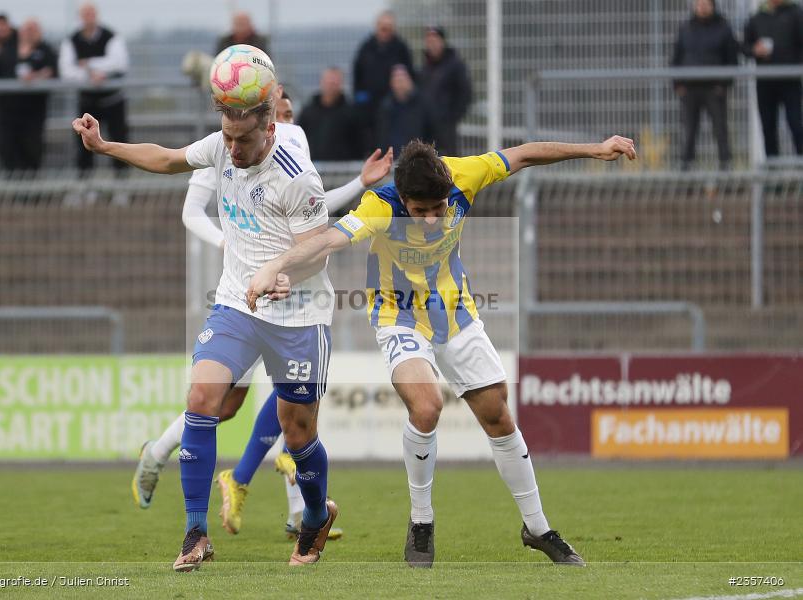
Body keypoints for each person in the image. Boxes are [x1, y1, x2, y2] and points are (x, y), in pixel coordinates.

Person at [247, 135, 638, 568]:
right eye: (420, 212)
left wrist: (596, 150)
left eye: (438, 210)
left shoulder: (462, 174)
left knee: (498, 416)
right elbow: (328, 240)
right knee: (427, 406)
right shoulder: (381, 205)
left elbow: (525, 154)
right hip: (398, 318)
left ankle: (538, 528)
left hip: (457, 315)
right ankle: (421, 523)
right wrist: (274, 266)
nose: (432, 220)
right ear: (404, 200)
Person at [74, 67, 387, 567]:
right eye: (227, 136)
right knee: (203, 396)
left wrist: (284, 271)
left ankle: (313, 516)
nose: (233, 149)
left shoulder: (296, 174)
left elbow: (318, 251)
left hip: (299, 312)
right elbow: (170, 159)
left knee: (298, 428)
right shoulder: (221, 146)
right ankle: (195, 533)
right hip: (237, 303)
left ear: (270, 128)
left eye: (243, 140)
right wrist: (106, 146)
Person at [60, 2, 130, 173]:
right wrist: (90, 75)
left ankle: (122, 187)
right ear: (80, 16)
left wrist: (89, 64)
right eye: (85, 13)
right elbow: (66, 70)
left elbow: (120, 63)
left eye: (91, 13)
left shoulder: (111, 36)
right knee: (84, 146)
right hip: (87, 104)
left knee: (119, 143)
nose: (89, 17)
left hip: (113, 101)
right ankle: (86, 188)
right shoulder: (71, 40)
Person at [0, 19, 56, 171]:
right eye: (27, 29)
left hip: (33, 113)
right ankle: (10, 189)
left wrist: (37, 76)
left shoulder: (46, 50)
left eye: (33, 29)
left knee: (32, 151)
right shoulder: (6, 49)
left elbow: (53, 72)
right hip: (5, 112)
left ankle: (31, 191)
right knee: (5, 148)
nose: (30, 33)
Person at [671, 0, 739, 170]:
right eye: (699, 3)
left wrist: (724, 84)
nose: (701, 7)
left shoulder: (723, 27)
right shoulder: (686, 27)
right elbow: (676, 56)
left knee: (720, 131)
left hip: (714, 88)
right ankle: (686, 173)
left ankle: (726, 170)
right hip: (690, 88)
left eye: (705, 3)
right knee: (689, 132)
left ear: (712, 6)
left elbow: (732, 58)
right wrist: (677, 83)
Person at [744, 0, 803, 157]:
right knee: (768, 129)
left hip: (790, 80)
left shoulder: (796, 13)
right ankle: (773, 178)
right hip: (765, 82)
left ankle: (800, 172)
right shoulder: (756, 18)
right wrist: (754, 50)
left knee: (797, 126)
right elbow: (745, 46)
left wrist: (793, 63)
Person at [352, 11, 414, 150]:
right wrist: (361, 102)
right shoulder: (366, 49)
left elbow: (410, 77)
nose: (386, 31)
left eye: (389, 27)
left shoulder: (401, 49)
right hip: (370, 111)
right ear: (377, 27)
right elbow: (358, 78)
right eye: (383, 27)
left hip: (396, 110)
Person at [419, 26, 472, 156]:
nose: (432, 45)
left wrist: (452, 116)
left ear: (442, 41)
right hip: (427, 126)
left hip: (446, 126)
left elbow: (465, 93)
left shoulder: (455, 65)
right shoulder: (425, 68)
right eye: (429, 41)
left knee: (449, 162)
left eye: (435, 40)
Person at [299, 67, 362, 161]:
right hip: (312, 167)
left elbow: (359, 142)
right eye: (328, 82)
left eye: (334, 83)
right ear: (321, 82)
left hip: (343, 170)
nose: (331, 87)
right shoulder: (308, 111)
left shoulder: (351, 113)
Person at [377, 65, 432, 156]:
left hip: (417, 158)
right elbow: (382, 135)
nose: (400, 84)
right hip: (392, 158)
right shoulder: (385, 107)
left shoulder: (422, 105)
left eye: (402, 80)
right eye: (397, 80)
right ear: (391, 83)